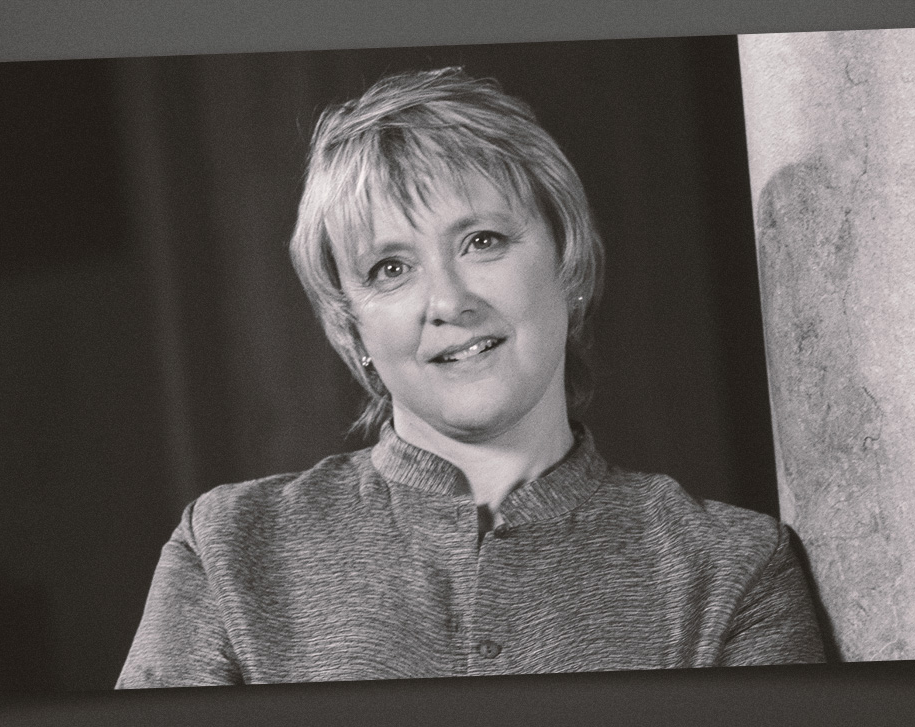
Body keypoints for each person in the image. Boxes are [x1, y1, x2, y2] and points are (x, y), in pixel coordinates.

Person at [116, 67, 825, 688]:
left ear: (568, 260)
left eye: (482, 241)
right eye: (390, 268)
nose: (449, 301)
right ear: (352, 327)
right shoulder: (228, 550)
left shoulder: (734, 569)